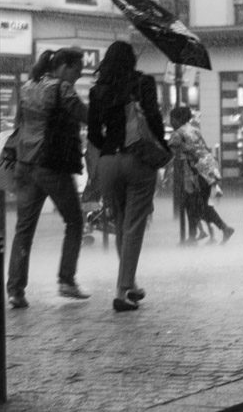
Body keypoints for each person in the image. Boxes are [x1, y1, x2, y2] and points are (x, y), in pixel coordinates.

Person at [6, 48, 90, 309]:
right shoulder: (61, 88)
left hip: (24, 164)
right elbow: (85, 115)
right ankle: (66, 280)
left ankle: (15, 290)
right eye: (77, 69)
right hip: (50, 165)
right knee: (75, 221)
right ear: (64, 66)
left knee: (24, 229)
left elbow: (18, 123)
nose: (78, 75)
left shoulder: (28, 86)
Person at [88, 41, 166, 312]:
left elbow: (94, 135)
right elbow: (154, 118)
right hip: (138, 159)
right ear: (132, 59)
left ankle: (130, 283)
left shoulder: (97, 90)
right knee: (134, 226)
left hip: (109, 161)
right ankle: (122, 291)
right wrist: (163, 145)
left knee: (121, 223)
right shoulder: (143, 83)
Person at [169, 106, 235, 244]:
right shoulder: (194, 130)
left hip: (196, 172)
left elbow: (169, 150)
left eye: (172, 119)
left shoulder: (178, 133)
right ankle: (215, 231)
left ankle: (219, 230)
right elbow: (204, 148)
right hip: (209, 168)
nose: (170, 122)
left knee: (196, 205)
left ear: (178, 119)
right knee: (197, 204)